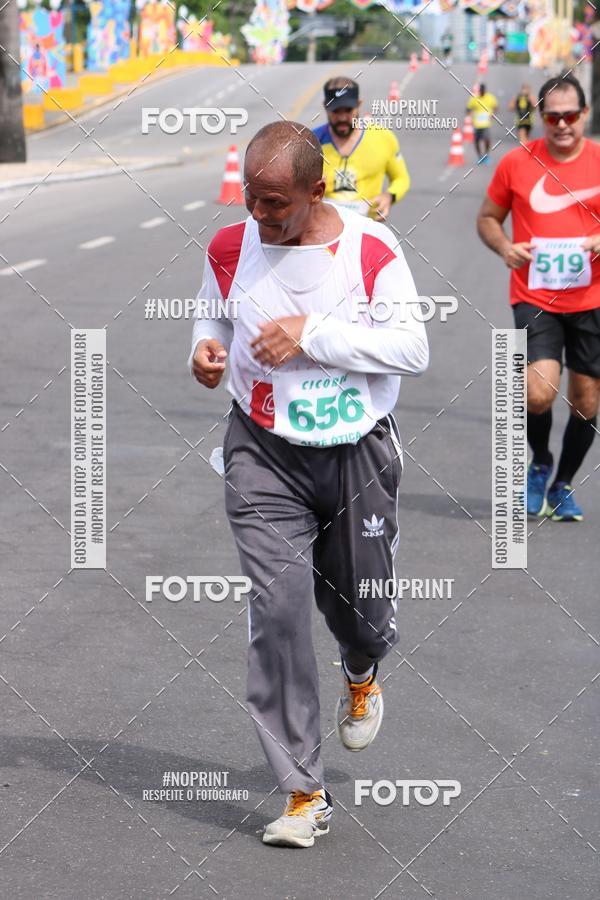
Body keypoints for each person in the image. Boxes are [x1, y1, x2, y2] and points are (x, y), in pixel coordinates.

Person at [190, 120, 428, 846]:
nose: (260, 216)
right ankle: (302, 792)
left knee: (362, 612)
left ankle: (362, 667)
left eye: (276, 204)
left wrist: (312, 331)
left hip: (355, 452)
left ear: (316, 190)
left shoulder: (369, 249)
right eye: (251, 199)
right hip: (262, 452)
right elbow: (212, 317)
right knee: (278, 612)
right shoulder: (230, 247)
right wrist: (204, 352)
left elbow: (412, 348)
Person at [476, 73, 600, 521]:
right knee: (538, 392)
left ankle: (562, 484)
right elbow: (488, 218)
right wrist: (505, 247)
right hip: (535, 296)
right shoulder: (517, 162)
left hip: (593, 299)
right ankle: (540, 462)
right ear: (541, 117)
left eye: (570, 116)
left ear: (584, 114)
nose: (562, 124)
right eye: (552, 117)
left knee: (586, 401)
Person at [312, 77, 410, 221]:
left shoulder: (383, 137)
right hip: (323, 227)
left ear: (359, 104)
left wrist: (389, 196)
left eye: (348, 110)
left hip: (367, 227)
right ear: (325, 106)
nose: (342, 118)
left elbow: (401, 178)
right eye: (336, 111)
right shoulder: (311, 142)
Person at [467, 83, 498, 165]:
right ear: (479, 91)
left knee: (487, 139)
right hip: (477, 123)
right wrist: (470, 115)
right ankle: (480, 156)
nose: (482, 92)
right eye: (481, 91)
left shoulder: (490, 97)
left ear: (485, 90)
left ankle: (486, 155)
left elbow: (496, 107)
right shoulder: (474, 98)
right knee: (477, 140)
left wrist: (492, 114)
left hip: (486, 123)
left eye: (483, 91)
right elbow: (468, 109)